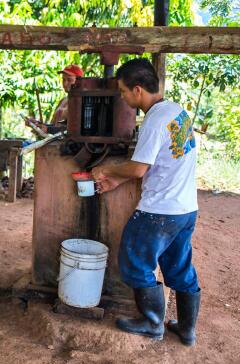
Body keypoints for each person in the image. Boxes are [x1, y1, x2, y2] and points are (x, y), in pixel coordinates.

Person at [91, 58, 200, 346]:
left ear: (138, 90)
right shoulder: (177, 112)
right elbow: (158, 163)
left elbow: (139, 167)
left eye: (124, 92)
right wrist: (118, 180)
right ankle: (187, 330)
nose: (124, 98)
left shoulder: (154, 120)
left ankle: (153, 323)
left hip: (159, 212)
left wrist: (105, 171)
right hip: (186, 209)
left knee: (133, 261)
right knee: (179, 266)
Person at [25, 64, 83, 133]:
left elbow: (75, 130)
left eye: (69, 80)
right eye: (63, 80)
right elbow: (54, 126)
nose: (65, 83)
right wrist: (37, 124)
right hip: (55, 142)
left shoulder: (82, 102)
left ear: (79, 81)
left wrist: (48, 129)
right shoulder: (63, 100)